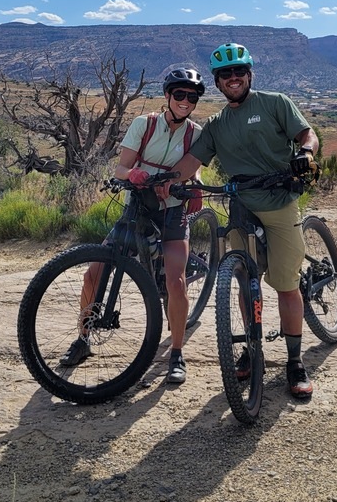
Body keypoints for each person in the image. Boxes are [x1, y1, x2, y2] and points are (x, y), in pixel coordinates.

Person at [163, 42, 321, 399]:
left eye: (238, 72)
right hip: (240, 206)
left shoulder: (275, 103)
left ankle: (295, 362)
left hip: (279, 201)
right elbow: (192, 162)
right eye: (225, 74)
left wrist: (306, 152)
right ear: (218, 83)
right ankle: (253, 347)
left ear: (249, 74)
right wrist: (168, 180)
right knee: (244, 280)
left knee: (285, 284)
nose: (233, 78)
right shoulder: (217, 125)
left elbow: (306, 134)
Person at [59, 66, 207, 385]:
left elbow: (193, 169)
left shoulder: (196, 133)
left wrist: (196, 185)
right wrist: (134, 175)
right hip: (138, 208)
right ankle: (84, 338)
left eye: (191, 96)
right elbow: (121, 168)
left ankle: (177, 354)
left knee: (175, 282)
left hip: (171, 211)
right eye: (179, 94)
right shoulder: (146, 124)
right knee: (93, 274)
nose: (185, 100)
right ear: (168, 96)